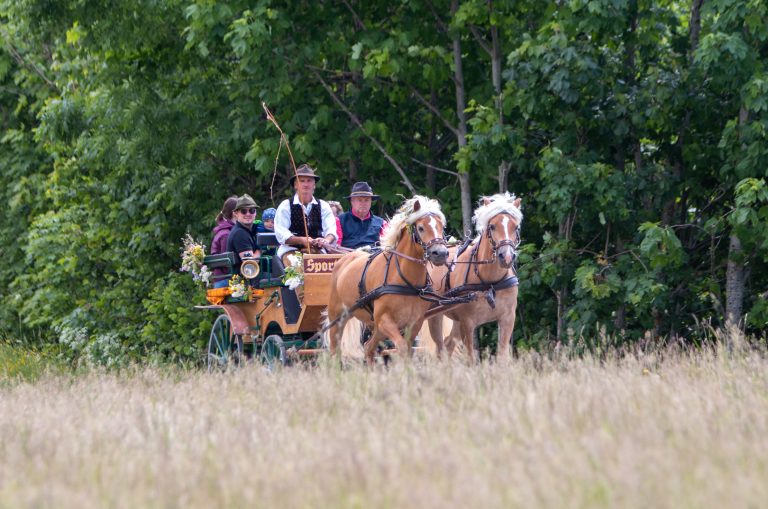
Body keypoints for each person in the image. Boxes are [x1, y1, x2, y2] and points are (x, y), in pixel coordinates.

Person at [274, 164, 337, 266]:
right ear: (295, 185)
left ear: (314, 185)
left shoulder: (324, 206)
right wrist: (302, 240)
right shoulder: (285, 206)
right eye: (302, 181)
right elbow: (282, 234)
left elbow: (331, 231)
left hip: (317, 251)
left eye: (309, 181)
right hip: (291, 250)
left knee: (326, 270)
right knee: (297, 270)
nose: (306, 184)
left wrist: (325, 240)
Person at [338, 181, 388, 249]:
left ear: (371, 202)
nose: (363, 203)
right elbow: (335, 247)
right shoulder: (339, 221)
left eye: (367, 200)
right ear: (352, 201)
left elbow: (387, 248)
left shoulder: (382, 223)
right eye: (360, 200)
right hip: (348, 258)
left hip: (374, 257)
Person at [225, 194, 261, 280]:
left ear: (255, 213)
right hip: (246, 281)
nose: (248, 214)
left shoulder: (250, 231)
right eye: (243, 211)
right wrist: (261, 248)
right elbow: (250, 264)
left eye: (252, 210)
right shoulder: (239, 234)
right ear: (236, 213)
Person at [210, 195, 238, 288]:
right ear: (234, 213)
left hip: (222, 279)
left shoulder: (226, 230)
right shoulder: (226, 234)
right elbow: (227, 261)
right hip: (225, 280)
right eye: (242, 210)